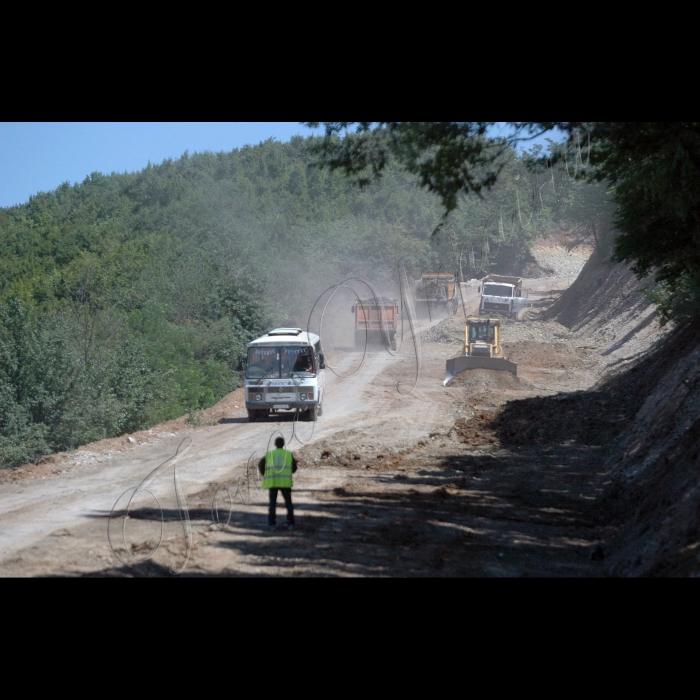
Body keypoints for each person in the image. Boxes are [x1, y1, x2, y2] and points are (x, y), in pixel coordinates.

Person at [258, 436, 297, 530]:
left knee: (272, 504)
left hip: (273, 482)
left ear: (275, 444)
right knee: (288, 504)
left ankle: (272, 525)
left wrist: (265, 474)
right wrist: (288, 472)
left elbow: (261, 464)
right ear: (283, 444)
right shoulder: (288, 454)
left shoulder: (270, 454)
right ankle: (290, 524)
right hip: (285, 483)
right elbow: (294, 468)